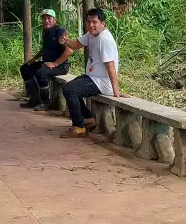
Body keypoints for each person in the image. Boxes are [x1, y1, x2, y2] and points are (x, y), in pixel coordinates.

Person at [48, 8, 127, 138]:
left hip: (102, 81)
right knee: (70, 87)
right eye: (88, 22)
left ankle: (79, 127)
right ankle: (88, 119)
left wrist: (116, 90)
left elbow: (111, 66)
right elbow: (76, 44)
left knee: (70, 90)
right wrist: (66, 41)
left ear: (103, 23)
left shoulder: (104, 39)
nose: (91, 25)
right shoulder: (91, 34)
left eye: (94, 22)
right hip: (93, 77)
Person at [18, 9, 70, 110]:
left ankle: (46, 103)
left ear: (54, 20)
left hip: (61, 66)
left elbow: (69, 51)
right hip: (47, 63)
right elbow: (45, 48)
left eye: (49, 18)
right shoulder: (45, 31)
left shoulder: (61, 32)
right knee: (25, 68)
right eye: (44, 18)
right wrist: (34, 59)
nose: (46, 20)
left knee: (41, 73)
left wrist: (55, 64)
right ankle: (34, 99)